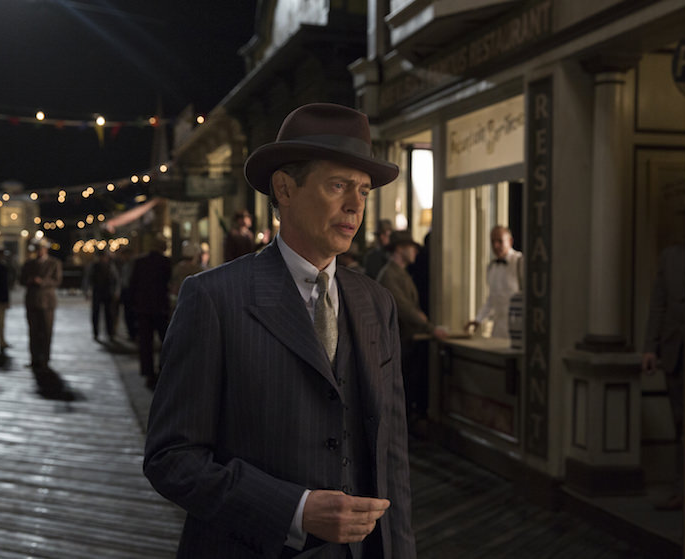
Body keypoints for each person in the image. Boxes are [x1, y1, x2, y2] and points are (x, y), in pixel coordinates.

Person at [144, 103, 416, 558]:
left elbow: (393, 459)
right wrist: (296, 509)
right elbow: (171, 459)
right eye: (338, 186)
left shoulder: (376, 302)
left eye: (364, 191)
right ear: (285, 189)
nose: (355, 205)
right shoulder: (214, 299)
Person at [377, 230, 448, 420]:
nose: (416, 252)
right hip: (399, 343)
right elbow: (405, 309)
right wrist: (431, 328)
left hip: (407, 341)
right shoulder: (390, 276)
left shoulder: (401, 274)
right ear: (400, 249)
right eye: (412, 248)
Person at [642, 242, 685, 510]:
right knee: (680, 425)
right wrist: (650, 347)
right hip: (675, 353)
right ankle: (682, 490)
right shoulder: (670, 255)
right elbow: (658, 304)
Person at [20, 238, 72, 399]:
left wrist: (42, 281)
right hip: (32, 301)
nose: (39, 251)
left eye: (42, 248)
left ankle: (45, 359)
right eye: (38, 248)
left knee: (47, 331)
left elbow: (57, 280)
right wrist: (29, 281)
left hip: (47, 302)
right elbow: (20, 279)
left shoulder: (54, 263)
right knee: (33, 331)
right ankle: (34, 358)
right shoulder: (29, 264)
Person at [465, 225, 523, 339]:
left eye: (500, 241)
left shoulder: (519, 262)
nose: (496, 246)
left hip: (518, 329)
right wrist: (478, 320)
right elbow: (492, 299)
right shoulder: (491, 267)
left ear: (510, 241)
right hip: (498, 330)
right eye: (493, 242)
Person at [129, 237, 171, 388]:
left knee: (145, 343)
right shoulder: (166, 262)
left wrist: (134, 304)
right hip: (160, 307)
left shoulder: (140, 262)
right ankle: (163, 369)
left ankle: (147, 372)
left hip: (143, 307)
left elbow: (132, 284)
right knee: (165, 340)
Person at [83, 249, 120, 341]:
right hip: (97, 291)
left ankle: (110, 332)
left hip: (108, 291)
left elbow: (116, 279)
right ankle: (96, 332)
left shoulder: (110, 266)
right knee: (96, 312)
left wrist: (116, 291)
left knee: (109, 313)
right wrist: (86, 291)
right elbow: (87, 279)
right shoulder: (93, 266)